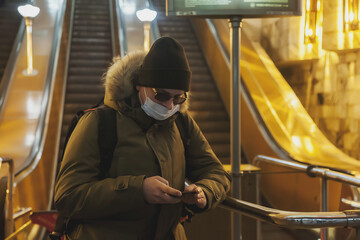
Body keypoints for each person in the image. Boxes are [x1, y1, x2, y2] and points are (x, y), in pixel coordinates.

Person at [54, 36, 231, 240]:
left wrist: (205, 192)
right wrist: (139, 190)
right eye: (161, 95)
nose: (169, 106)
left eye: (178, 98)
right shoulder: (99, 122)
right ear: (139, 85)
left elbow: (216, 172)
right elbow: (68, 195)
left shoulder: (181, 122)